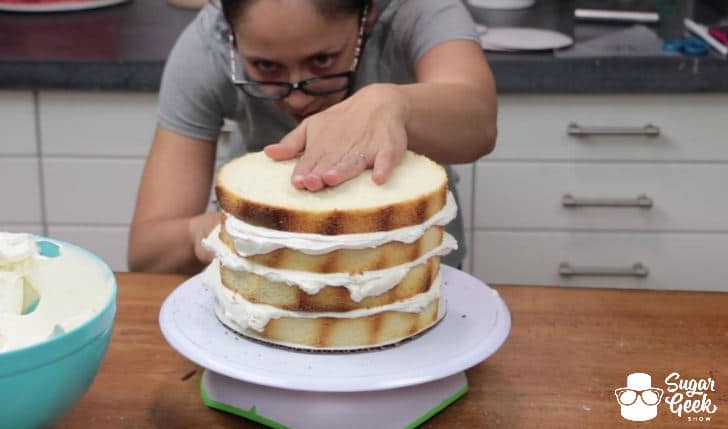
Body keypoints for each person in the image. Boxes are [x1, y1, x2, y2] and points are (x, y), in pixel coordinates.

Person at [128, 0, 497, 274]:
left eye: (323, 61)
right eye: (266, 66)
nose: (298, 97)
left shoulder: (418, 11)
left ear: (365, 16)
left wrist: (391, 103)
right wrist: (203, 231)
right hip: (264, 277)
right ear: (231, 35)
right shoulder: (205, 47)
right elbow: (147, 254)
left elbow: (480, 125)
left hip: (414, 276)